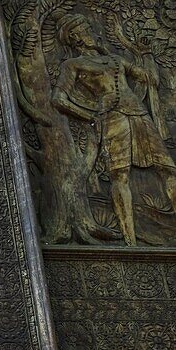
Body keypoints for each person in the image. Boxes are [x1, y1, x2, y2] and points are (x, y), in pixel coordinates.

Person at [52, 14, 176, 245]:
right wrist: (90, 114)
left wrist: (145, 54)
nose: (91, 31)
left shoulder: (116, 60)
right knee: (120, 175)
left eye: (89, 26)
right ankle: (130, 240)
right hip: (113, 119)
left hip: (139, 114)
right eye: (85, 28)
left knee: (169, 169)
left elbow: (150, 79)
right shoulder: (74, 65)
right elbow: (58, 99)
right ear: (75, 37)